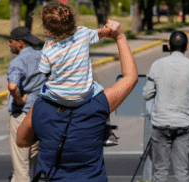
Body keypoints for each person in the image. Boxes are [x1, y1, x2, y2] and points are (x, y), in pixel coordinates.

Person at [16, 20, 137, 181]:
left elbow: (22, 140)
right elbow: (130, 77)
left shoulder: (40, 106)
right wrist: (119, 37)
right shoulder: (100, 103)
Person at [143, 31, 189, 182]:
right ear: (187, 47)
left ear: (169, 46)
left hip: (161, 123)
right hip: (184, 124)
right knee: (182, 172)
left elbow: (147, 95)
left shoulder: (157, 65)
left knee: (160, 171)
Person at [38, 0, 112, 106]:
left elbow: (44, 70)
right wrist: (109, 30)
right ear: (72, 20)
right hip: (83, 95)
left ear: (48, 29)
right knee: (97, 88)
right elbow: (100, 33)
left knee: (42, 92)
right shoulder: (82, 32)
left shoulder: (49, 46)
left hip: (58, 96)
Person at [6, 26, 46, 182]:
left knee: (21, 164)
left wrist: (18, 100)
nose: (9, 44)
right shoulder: (43, 56)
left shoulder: (18, 62)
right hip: (42, 112)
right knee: (33, 156)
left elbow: (12, 86)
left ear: (20, 43)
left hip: (22, 114)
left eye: (11, 41)